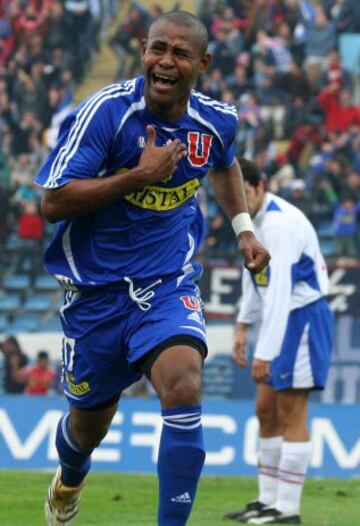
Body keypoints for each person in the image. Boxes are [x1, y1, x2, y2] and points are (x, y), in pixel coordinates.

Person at [35, 11, 270, 526]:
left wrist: (244, 230)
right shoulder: (105, 113)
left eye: (180, 53)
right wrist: (137, 175)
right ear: (143, 50)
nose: (165, 61)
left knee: (184, 383)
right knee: (86, 429)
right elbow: (52, 203)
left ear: (202, 63)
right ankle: (70, 476)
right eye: (157, 48)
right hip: (95, 293)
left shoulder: (216, 121)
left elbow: (225, 162)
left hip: (166, 281)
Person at [225, 158, 333, 525]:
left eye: (245, 193)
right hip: (280, 318)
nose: (240, 201)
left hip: (302, 318)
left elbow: (280, 291)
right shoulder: (250, 223)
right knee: (265, 411)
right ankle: (266, 501)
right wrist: (242, 325)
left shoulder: (281, 225)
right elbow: (253, 277)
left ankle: (288, 509)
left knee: (291, 413)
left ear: (260, 186)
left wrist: (264, 352)